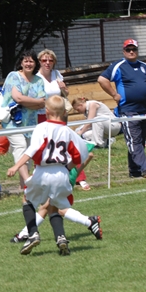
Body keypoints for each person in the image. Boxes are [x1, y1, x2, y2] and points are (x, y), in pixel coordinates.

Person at [7, 96, 102, 256]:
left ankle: (33, 234)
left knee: (27, 199)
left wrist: (16, 166)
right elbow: (81, 155)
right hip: (61, 174)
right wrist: (67, 168)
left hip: (43, 171)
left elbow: (33, 149)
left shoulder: (42, 127)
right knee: (54, 206)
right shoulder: (68, 132)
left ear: (46, 111)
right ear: (64, 112)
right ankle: (61, 237)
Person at [9, 141, 100, 245]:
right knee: (46, 207)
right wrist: (76, 170)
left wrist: (18, 168)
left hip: (56, 174)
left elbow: (88, 153)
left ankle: (89, 222)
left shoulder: (55, 137)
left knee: (54, 207)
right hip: (63, 174)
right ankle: (25, 233)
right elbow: (88, 154)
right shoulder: (65, 136)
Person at [98, 39, 146, 179]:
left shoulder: (144, 66)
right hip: (128, 110)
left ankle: (134, 171)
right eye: (128, 49)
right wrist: (114, 94)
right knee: (134, 141)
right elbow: (102, 79)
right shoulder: (118, 66)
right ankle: (145, 169)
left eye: (133, 49)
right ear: (124, 51)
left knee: (139, 141)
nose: (131, 52)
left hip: (143, 109)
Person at [36, 48, 91, 189]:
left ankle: (78, 177)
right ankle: (46, 179)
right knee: (47, 148)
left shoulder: (57, 74)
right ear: (39, 61)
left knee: (67, 145)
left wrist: (64, 88)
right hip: (44, 115)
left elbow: (66, 93)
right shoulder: (36, 78)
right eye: (44, 60)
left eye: (50, 60)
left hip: (60, 115)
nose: (47, 62)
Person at [1, 50, 46, 189]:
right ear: (21, 63)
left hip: (31, 122)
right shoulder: (13, 76)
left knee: (28, 151)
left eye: (31, 61)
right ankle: (28, 182)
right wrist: (35, 102)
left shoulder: (38, 80)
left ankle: (23, 187)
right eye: (25, 61)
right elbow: (17, 98)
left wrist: (28, 102)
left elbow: (43, 102)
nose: (28, 64)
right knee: (20, 147)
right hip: (12, 122)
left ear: (35, 63)